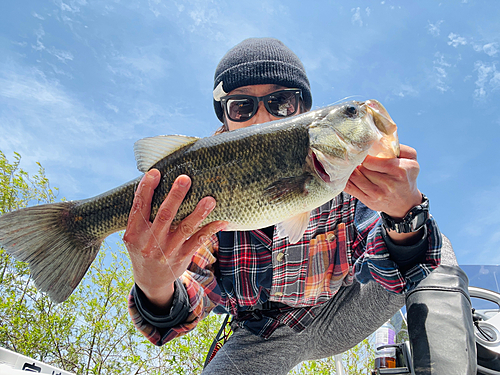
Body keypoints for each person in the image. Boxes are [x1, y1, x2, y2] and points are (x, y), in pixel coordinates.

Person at [124, 38, 476, 374]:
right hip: (261, 334)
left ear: (304, 111)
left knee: (431, 241)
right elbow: (184, 307)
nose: (263, 118)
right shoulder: (199, 192)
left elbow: (397, 267)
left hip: (343, 306)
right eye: (242, 106)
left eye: (281, 103)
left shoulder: (345, 172)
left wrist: (403, 214)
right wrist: (154, 285)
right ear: (226, 120)